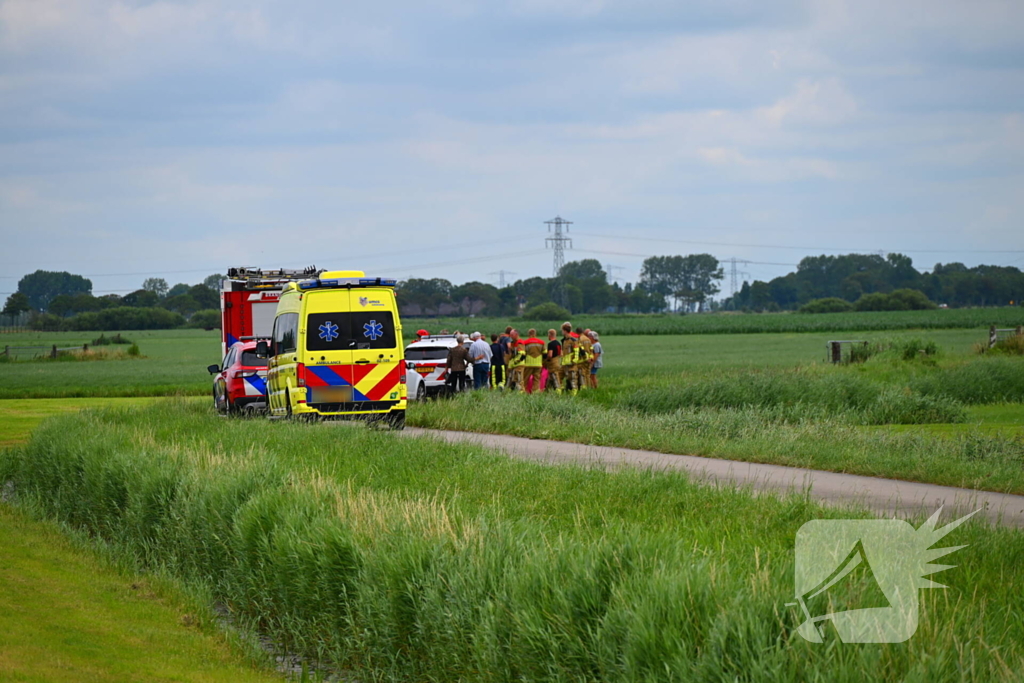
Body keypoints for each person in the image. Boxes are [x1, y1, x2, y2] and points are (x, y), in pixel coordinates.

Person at [521, 328, 545, 393]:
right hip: (538, 363)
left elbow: (523, 353)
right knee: (537, 379)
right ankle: (535, 391)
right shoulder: (541, 342)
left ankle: (524, 391)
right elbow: (545, 352)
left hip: (528, 363)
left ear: (529, 334)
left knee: (525, 378)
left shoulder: (525, 342)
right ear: (535, 334)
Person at [559, 322, 579, 393]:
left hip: (571, 363)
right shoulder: (564, 340)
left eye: (562, 330)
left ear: (564, 331)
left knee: (572, 378)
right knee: (559, 376)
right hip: (564, 363)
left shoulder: (573, 340)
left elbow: (576, 350)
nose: (562, 332)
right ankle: (561, 390)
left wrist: (575, 360)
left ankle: (574, 393)